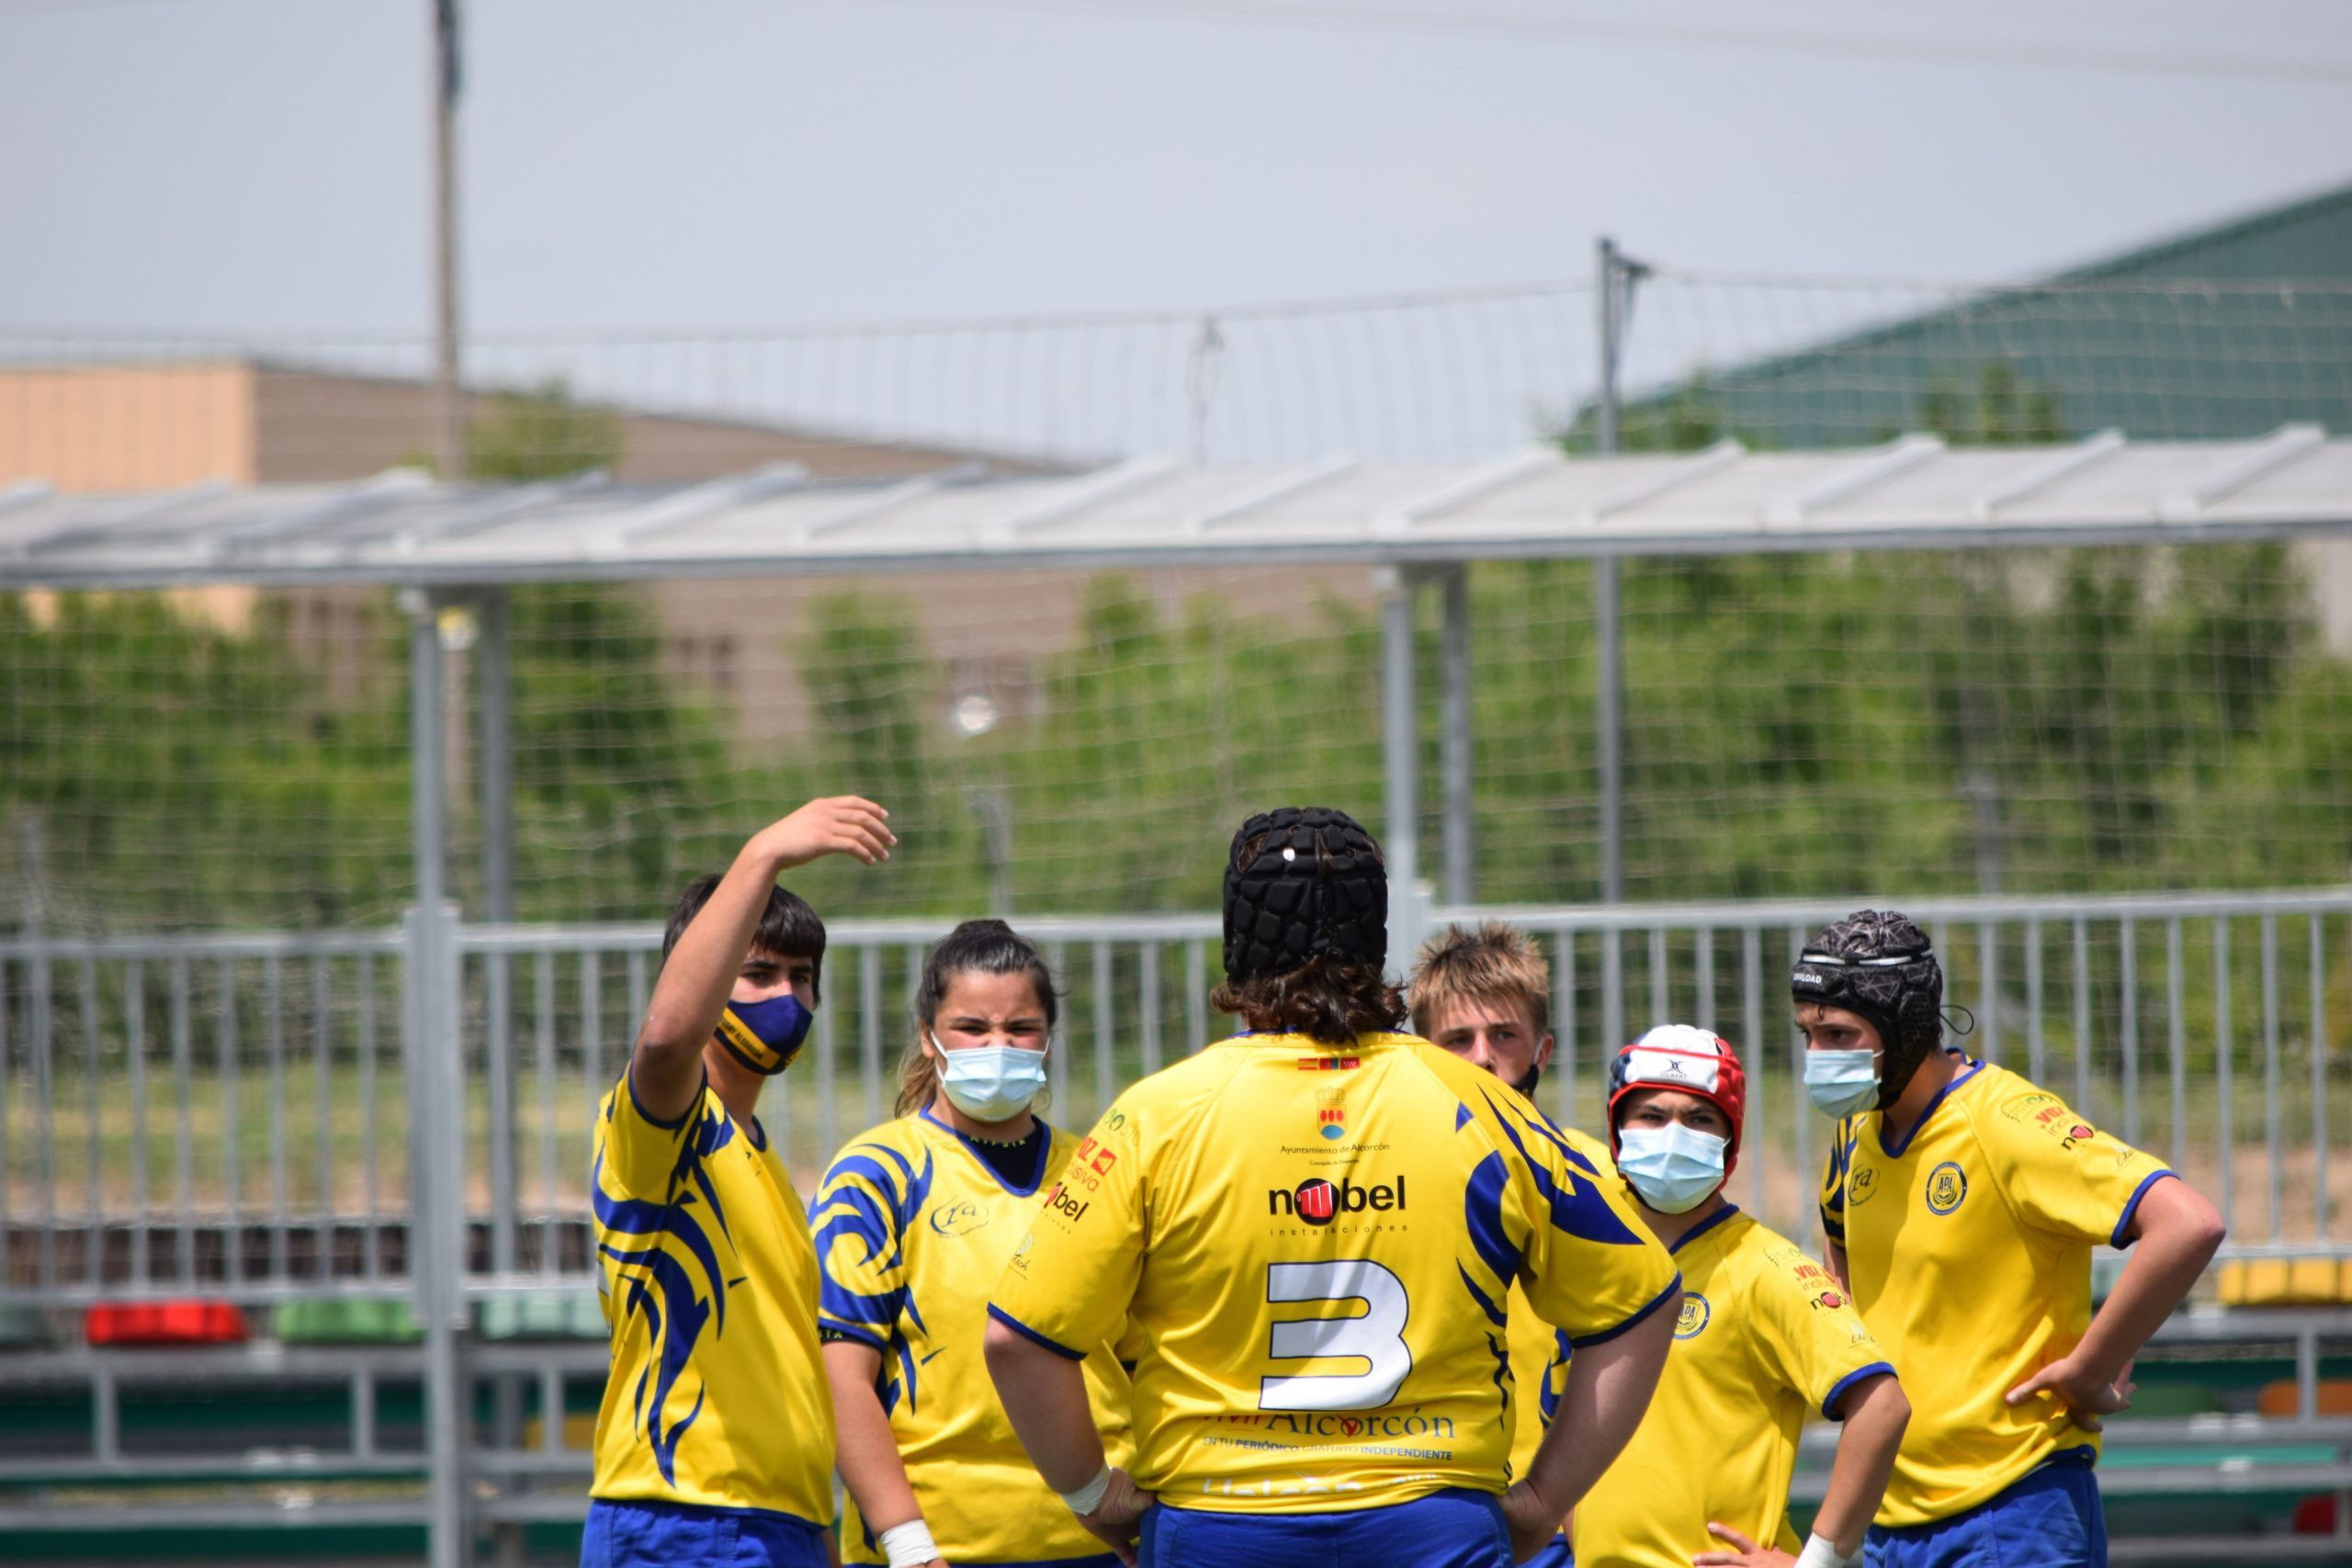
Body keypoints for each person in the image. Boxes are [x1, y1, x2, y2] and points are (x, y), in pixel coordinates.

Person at [984, 807, 1682, 1568]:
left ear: (1237, 941)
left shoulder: (1159, 1115)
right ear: (1376, 941)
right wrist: (1545, 1500)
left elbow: (1017, 1339)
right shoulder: (1485, 1107)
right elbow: (1643, 1301)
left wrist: (1092, 1496)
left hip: (1222, 1523)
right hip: (1431, 1522)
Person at [1799, 910, 2226, 1568]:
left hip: (2012, 1511)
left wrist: (2090, 1364)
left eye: (1838, 1034)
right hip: (1888, 1517)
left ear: (1905, 1022)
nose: (1817, 1059)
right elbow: (1840, 1246)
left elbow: (2187, 1222)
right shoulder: (1852, 1135)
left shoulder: (2005, 1122)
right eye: (1807, 1035)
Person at [582, 797, 896, 1568]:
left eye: (801, 977)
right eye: (755, 972)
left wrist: (817, 1531)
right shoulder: (667, 1127)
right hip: (682, 1519)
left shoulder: (769, 1167)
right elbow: (664, 1039)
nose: (784, 995)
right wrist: (763, 856)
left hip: (778, 1524)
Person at [814, 919, 1134, 1568]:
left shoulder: (1100, 1165)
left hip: (1102, 1542)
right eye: (972, 1028)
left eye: (1020, 1029)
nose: (998, 1046)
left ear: (1047, 1040)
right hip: (940, 1550)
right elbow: (841, 1377)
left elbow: (1137, 1357)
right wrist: (908, 1546)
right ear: (930, 1036)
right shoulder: (875, 1172)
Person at [1573, 1024, 1909, 1568]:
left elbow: (1883, 1405)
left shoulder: (1765, 1267)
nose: (1674, 1134)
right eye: (1653, 1116)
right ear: (1617, 1130)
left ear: (1731, 1138)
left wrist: (1818, 1563)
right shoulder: (1591, 1260)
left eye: (1700, 1118)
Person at [1406, 920, 1577, 1568]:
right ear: (1421, 1052)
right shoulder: (1385, 1183)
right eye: (1458, 1039)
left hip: (1561, 1517)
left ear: (1543, 1048)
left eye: (1503, 1035)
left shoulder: (1600, 1181)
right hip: (1430, 1511)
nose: (1482, 1057)